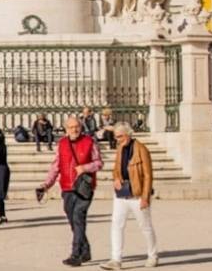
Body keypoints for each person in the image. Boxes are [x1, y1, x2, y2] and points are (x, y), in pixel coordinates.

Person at [40, 115, 103, 267]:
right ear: (66, 129)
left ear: (81, 127)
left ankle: (76, 254)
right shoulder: (62, 144)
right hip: (67, 187)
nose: (74, 129)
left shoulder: (89, 142)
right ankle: (86, 250)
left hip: (84, 188)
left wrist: (85, 168)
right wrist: (46, 184)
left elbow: (99, 163)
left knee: (78, 217)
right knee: (74, 221)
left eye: (77, 126)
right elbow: (56, 166)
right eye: (71, 127)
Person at [100, 122, 158, 270]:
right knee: (116, 224)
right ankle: (116, 259)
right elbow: (116, 168)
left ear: (128, 134)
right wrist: (116, 178)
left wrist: (145, 197)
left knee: (145, 226)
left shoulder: (141, 149)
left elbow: (148, 174)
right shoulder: (120, 148)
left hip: (138, 194)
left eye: (120, 136)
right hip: (122, 193)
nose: (118, 139)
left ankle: (152, 255)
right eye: (116, 137)